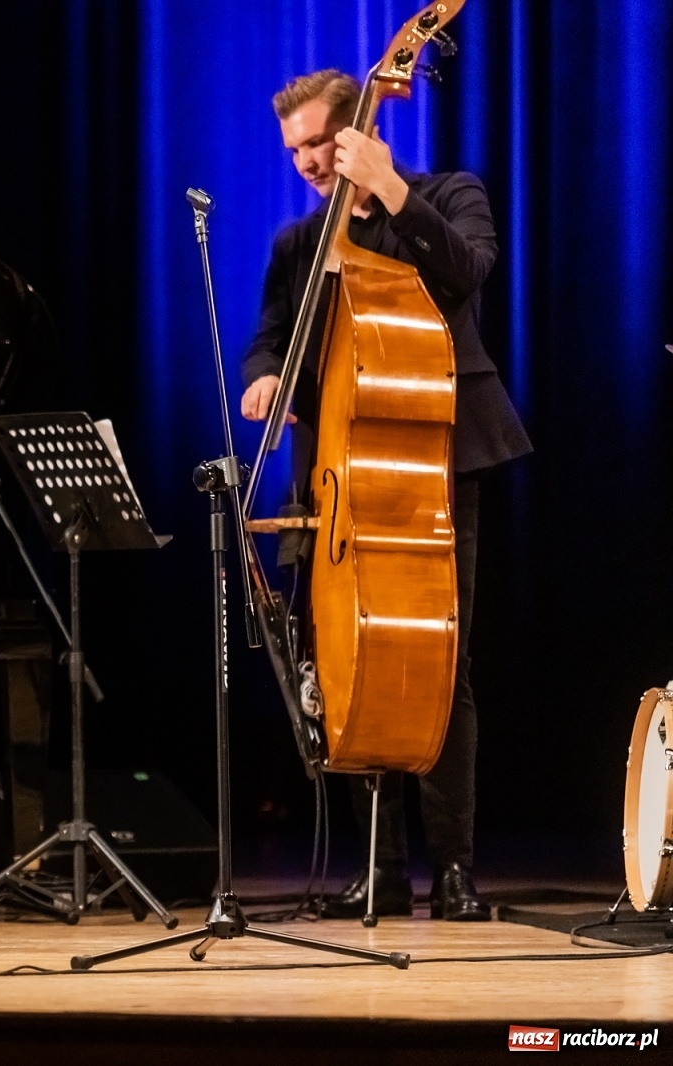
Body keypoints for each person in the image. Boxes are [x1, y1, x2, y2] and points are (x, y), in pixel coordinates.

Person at [240, 71, 532, 920]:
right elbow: (268, 339)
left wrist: (394, 192)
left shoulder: (445, 196)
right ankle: (380, 868)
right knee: (342, 671)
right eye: (293, 150)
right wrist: (265, 378)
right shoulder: (301, 246)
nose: (305, 162)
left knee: (441, 666)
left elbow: (468, 273)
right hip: (335, 478)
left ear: (361, 134)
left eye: (319, 145)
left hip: (430, 466)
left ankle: (454, 869)